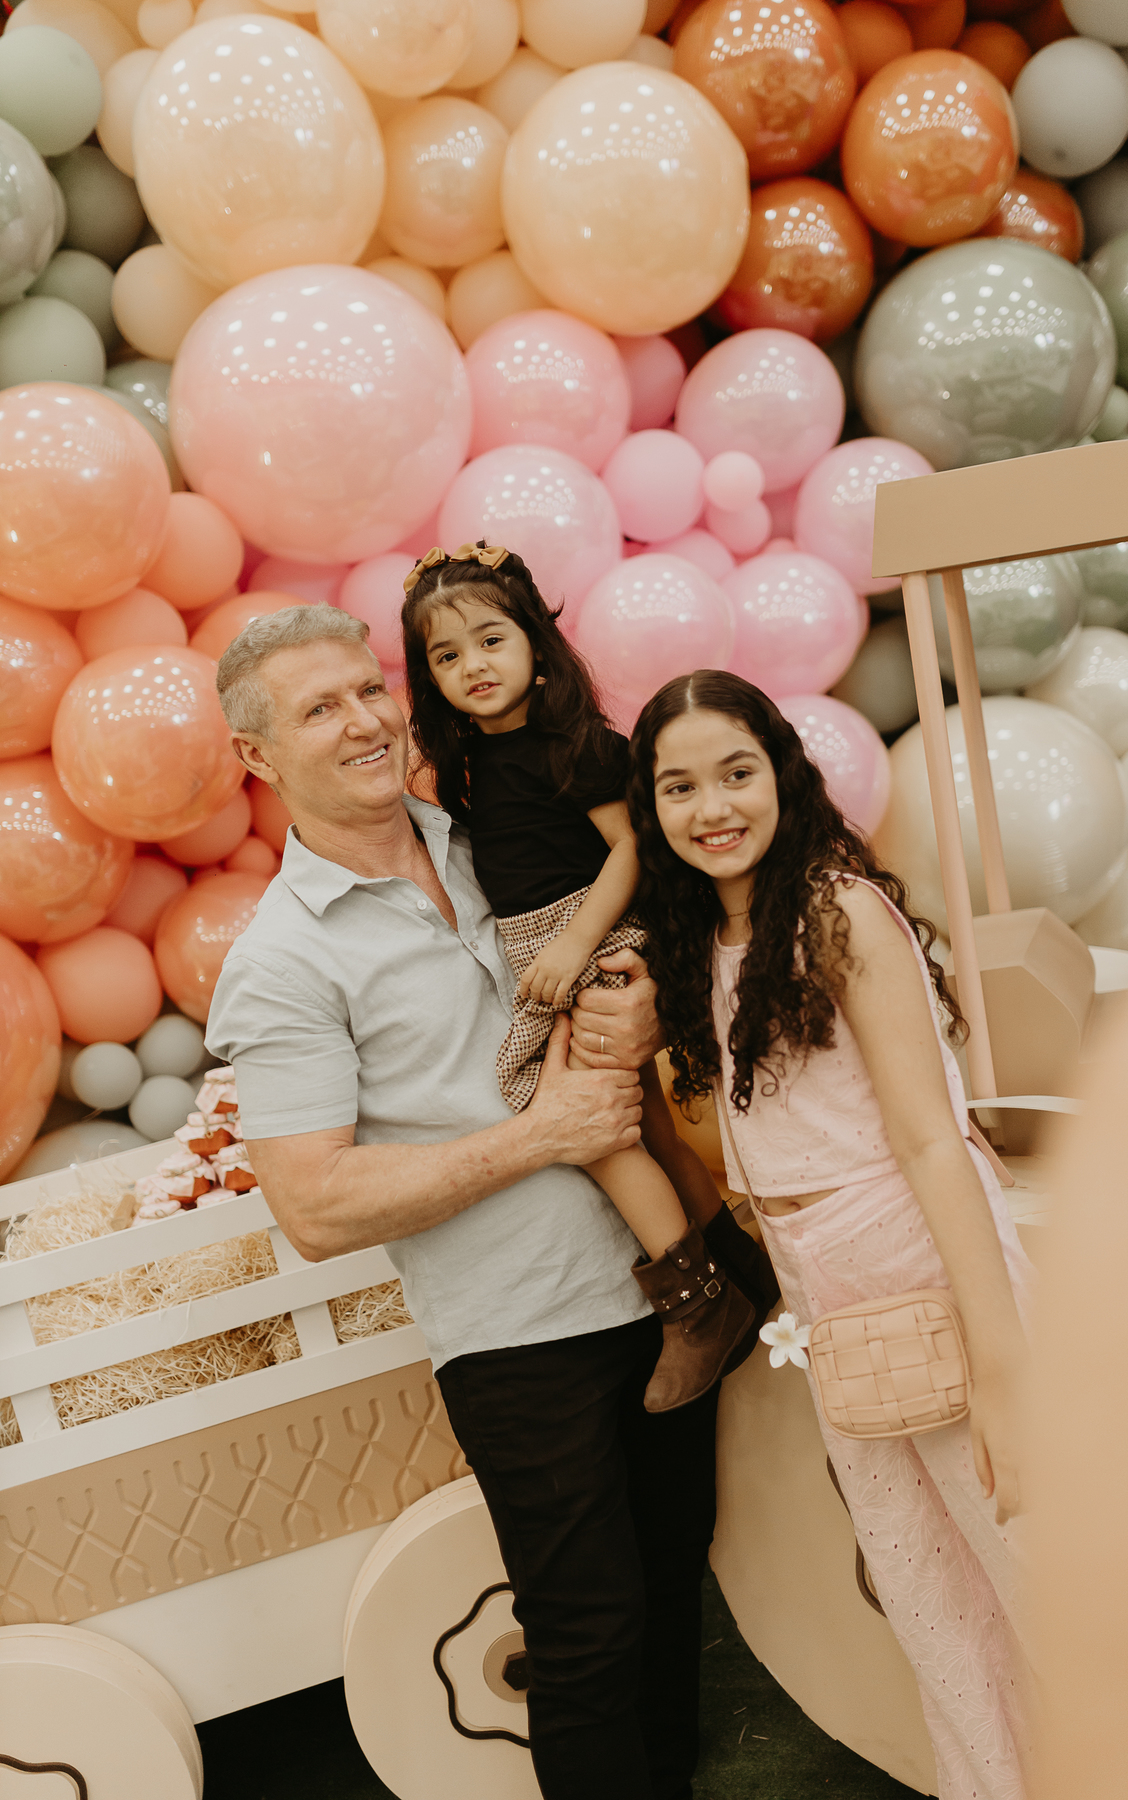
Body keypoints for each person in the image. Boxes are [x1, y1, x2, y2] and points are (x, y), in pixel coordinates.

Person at [202, 604, 752, 1800]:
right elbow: (315, 1204)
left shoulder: (498, 829)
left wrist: (645, 995)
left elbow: (654, 916)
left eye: (368, 688)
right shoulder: (283, 960)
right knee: (586, 1634)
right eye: (319, 709)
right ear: (257, 755)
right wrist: (540, 1136)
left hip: (667, 1295)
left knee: (676, 1583)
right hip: (518, 1337)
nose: (365, 721)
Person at [626, 669, 1037, 1800]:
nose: (713, 806)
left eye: (737, 772)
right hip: (829, 1298)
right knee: (933, 1602)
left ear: (784, 772)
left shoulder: (833, 909)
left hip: (919, 1264)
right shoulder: (704, 934)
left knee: (1036, 1574)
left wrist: (1004, 1369)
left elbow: (931, 1140)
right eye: (678, 786)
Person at [400, 541, 769, 1410]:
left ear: (536, 643)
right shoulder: (470, 766)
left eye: (491, 640)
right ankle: (743, 1272)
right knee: (645, 1128)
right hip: (543, 947)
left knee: (586, 1124)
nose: (473, 665)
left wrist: (574, 946)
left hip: (592, 940)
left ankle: (696, 1307)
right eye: (446, 656)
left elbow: (634, 847)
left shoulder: (575, 743)